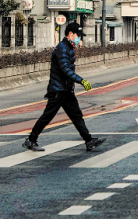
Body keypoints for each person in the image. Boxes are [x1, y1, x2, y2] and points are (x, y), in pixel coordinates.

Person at [23, 22, 105, 152]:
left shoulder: (69, 47)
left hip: (66, 90)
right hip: (58, 90)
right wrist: (81, 80)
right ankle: (31, 140)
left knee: (76, 115)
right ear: (70, 34)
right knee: (47, 116)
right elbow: (65, 69)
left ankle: (89, 141)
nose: (79, 39)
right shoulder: (62, 48)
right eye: (78, 35)